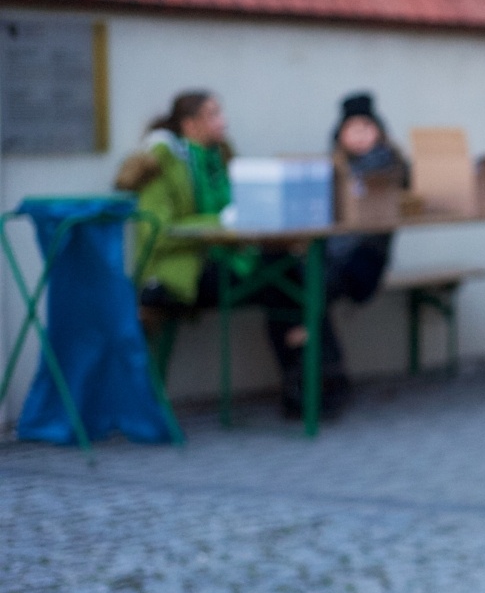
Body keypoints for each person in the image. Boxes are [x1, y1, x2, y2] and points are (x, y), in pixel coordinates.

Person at [116, 90, 350, 417]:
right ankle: (315, 382)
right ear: (190, 124)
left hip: (229, 260)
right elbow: (157, 230)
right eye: (213, 115)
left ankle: (312, 381)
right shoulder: (161, 161)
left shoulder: (222, 158)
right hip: (181, 273)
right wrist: (221, 223)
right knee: (287, 280)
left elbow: (244, 206)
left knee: (293, 273)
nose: (223, 121)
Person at [327, 92, 407, 304]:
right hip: (333, 255)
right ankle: (299, 332)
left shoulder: (391, 166)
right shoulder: (335, 169)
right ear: (341, 134)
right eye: (353, 128)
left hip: (366, 258)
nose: (360, 134)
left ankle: (302, 332)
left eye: (366, 127)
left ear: (379, 131)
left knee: (313, 283)